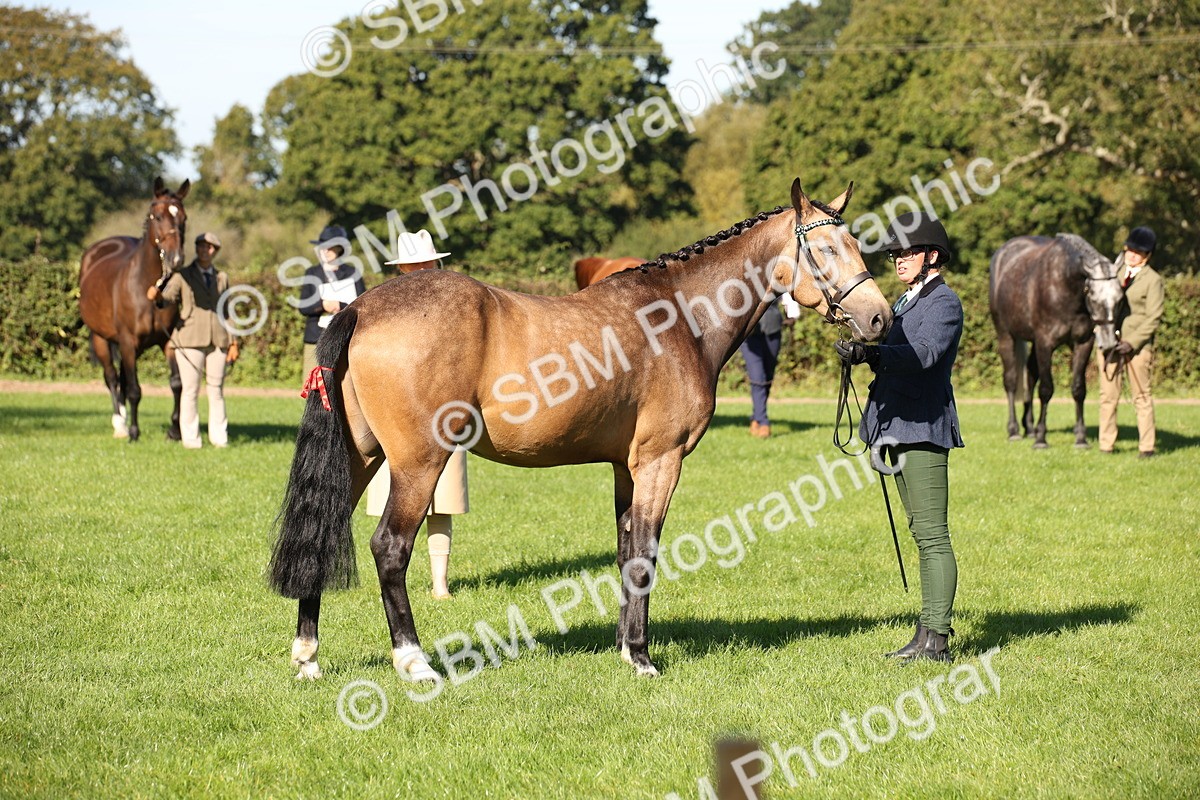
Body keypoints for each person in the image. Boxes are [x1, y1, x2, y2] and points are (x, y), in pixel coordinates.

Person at [835, 211, 964, 663]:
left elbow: (925, 355)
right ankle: (925, 633)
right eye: (895, 254)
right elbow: (892, 349)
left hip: (923, 426)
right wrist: (859, 349)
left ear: (932, 256)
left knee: (932, 535)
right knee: (920, 531)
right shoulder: (907, 301)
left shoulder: (943, 303)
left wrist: (875, 353)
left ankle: (938, 638)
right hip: (896, 425)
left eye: (907, 252)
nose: (898, 260)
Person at [364, 229, 468, 600]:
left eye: (425, 263)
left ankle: (440, 582)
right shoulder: (389, 308)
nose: (420, 269)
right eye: (413, 265)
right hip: (400, 413)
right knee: (399, 500)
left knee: (442, 503)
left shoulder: (457, 304)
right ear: (403, 267)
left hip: (448, 411)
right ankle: (391, 574)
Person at [147, 232, 239, 449]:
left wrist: (233, 341)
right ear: (196, 249)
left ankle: (219, 438)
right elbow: (169, 299)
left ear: (215, 251)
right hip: (188, 339)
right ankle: (191, 440)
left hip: (218, 339)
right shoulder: (183, 275)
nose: (204, 251)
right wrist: (157, 296)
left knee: (216, 389)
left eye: (209, 247)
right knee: (190, 390)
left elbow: (227, 310)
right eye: (201, 246)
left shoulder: (222, 277)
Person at [1098, 226, 1165, 458]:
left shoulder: (1153, 280)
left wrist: (1132, 342)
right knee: (1108, 396)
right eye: (1130, 250)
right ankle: (1106, 444)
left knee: (1141, 396)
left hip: (1136, 346)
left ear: (1147, 256)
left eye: (1138, 252)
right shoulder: (1112, 273)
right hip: (1108, 343)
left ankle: (1146, 447)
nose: (1132, 255)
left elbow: (1154, 316)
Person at [298, 224, 366, 384]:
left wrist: (340, 306)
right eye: (322, 247)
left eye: (330, 248)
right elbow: (303, 306)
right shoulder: (312, 273)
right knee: (312, 387)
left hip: (344, 339)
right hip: (316, 337)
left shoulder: (352, 274)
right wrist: (323, 305)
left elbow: (363, 306)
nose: (325, 251)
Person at [740, 293, 801, 438]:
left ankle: (756, 417)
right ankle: (763, 422)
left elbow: (786, 294)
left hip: (773, 329)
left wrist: (792, 314)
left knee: (767, 377)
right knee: (757, 377)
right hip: (749, 335)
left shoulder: (773, 275)